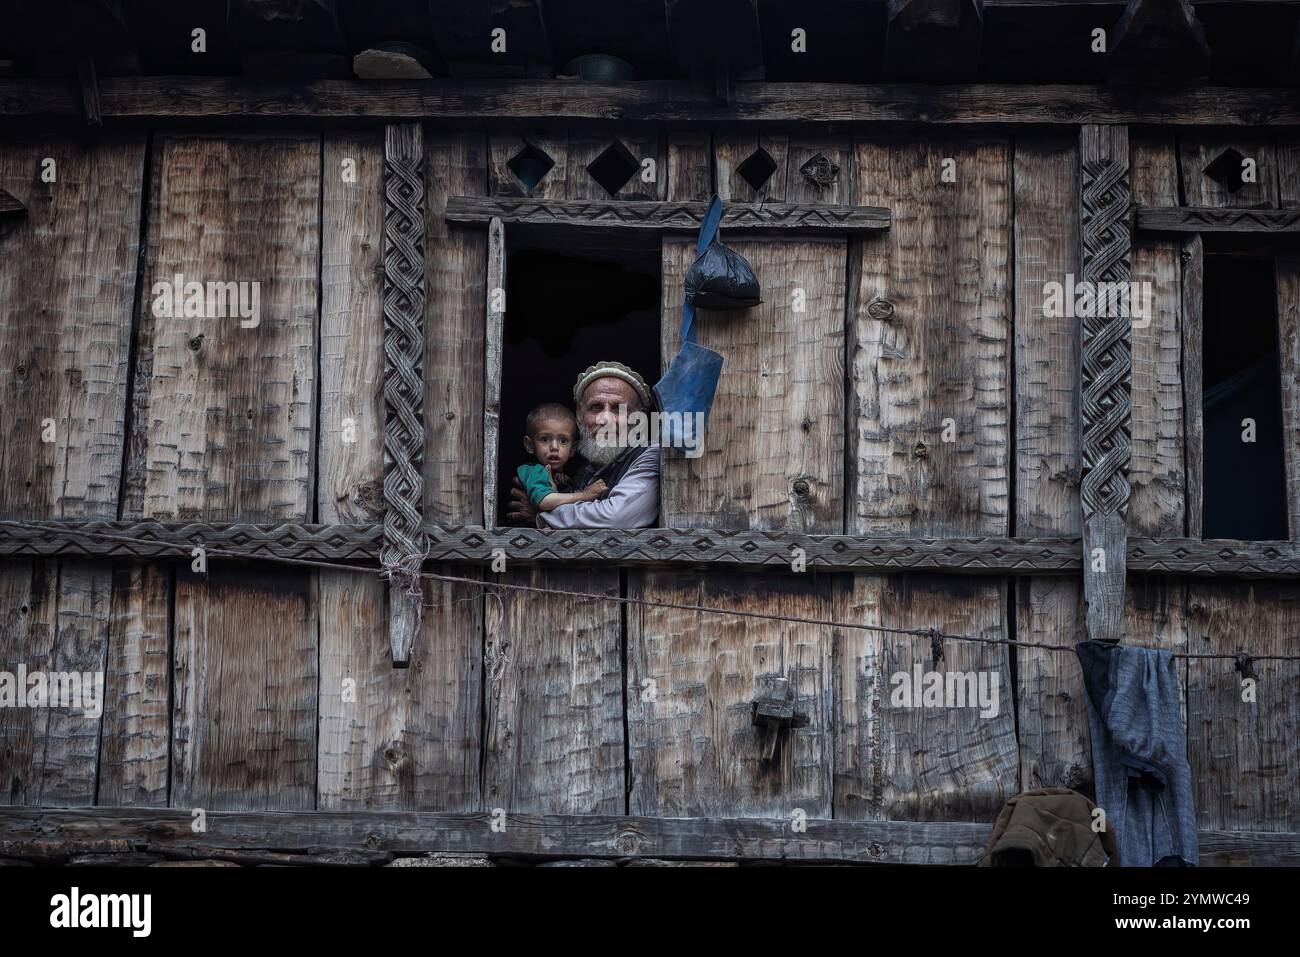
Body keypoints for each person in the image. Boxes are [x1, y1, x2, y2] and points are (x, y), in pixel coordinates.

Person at [507, 361, 660, 529]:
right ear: (579, 416)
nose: (605, 419)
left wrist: (542, 514)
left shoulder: (652, 455)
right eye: (596, 407)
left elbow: (617, 516)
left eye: (618, 408)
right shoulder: (583, 472)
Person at [515, 402, 608, 513]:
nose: (554, 447)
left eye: (563, 441)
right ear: (530, 445)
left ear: (572, 449)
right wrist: (584, 495)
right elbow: (545, 501)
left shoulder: (565, 477)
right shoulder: (534, 471)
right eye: (545, 439)